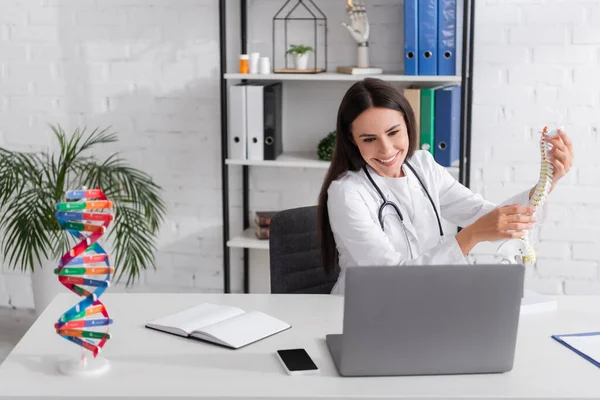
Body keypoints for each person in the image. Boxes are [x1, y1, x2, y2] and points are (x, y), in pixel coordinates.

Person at [316, 78, 574, 295]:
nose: (386, 149)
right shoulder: (347, 193)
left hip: (427, 301)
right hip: (368, 309)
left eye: (393, 132)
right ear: (352, 139)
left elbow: (484, 215)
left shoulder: (422, 164)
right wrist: (470, 236)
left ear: (408, 124)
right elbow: (390, 278)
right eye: (369, 139)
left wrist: (547, 183)